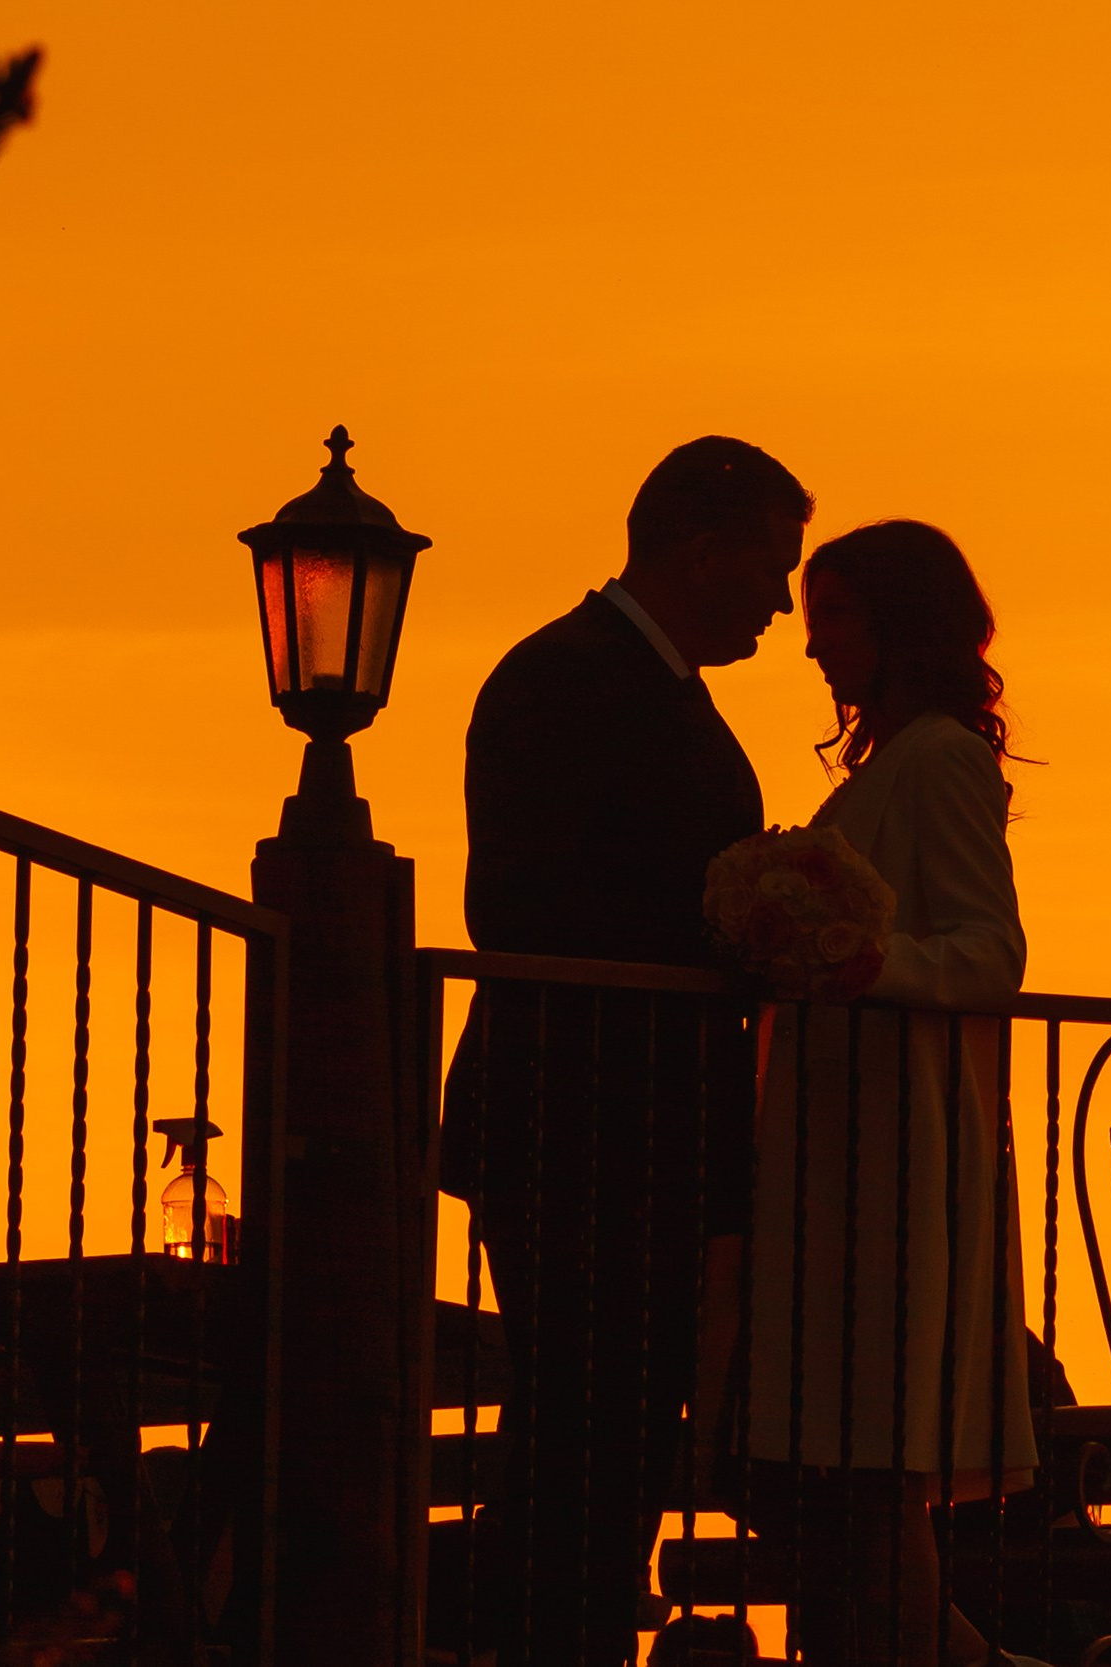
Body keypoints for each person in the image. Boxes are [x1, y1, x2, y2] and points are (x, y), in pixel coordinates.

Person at [439, 436, 814, 1666]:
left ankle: (564, 1632)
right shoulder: (563, 678)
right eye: (769, 565)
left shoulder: (619, 679)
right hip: (583, 1116)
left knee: (615, 1427)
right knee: (587, 1428)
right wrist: (727, 923)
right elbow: (516, 902)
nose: (779, 598)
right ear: (698, 552)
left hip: (630, 1118)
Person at [731, 520, 1040, 1666]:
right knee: (836, 1483)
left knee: (863, 1475)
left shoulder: (941, 761)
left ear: (900, 622)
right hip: (834, 1156)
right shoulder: (886, 766)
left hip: (890, 1161)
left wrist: (873, 965)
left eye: (840, 618)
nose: (816, 646)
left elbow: (987, 949)